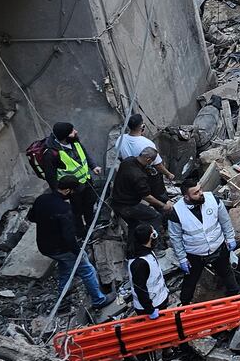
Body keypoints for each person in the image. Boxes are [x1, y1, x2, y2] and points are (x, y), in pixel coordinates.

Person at [28, 177, 109, 308]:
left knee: (65, 266)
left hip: (44, 246)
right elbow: (69, 236)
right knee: (87, 269)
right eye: (73, 191)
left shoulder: (41, 199)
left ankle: (62, 294)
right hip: (60, 247)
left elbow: (31, 217)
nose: (75, 194)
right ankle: (98, 300)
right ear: (67, 191)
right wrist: (78, 253)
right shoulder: (64, 208)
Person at [168, 182, 239, 304]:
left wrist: (230, 237)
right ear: (186, 197)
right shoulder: (177, 212)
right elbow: (175, 237)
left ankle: (236, 296)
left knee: (226, 272)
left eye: (200, 189)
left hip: (218, 247)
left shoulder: (212, 199)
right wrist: (182, 258)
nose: (201, 193)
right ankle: (184, 305)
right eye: (196, 192)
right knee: (190, 280)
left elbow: (225, 220)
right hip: (195, 254)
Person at [37, 122, 97, 231]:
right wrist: (58, 190)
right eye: (72, 131)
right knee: (76, 211)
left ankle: (91, 224)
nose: (76, 132)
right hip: (72, 187)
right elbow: (50, 175)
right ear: (64, 137)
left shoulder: (74, 141)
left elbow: (84, 154)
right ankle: (80, 232)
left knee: (90, 203)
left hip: (87, 181)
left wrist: (93, 167)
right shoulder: (51, 154)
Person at [112, 146, 170, 235]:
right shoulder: (139, 176)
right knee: (155, 216)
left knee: (134, 224)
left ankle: (131, 247)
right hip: (128, 205)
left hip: (116, 200)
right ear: (148, 159)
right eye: (152, 161)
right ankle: (153, 242)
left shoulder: (128, 161)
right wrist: (162, 205)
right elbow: (147, 197)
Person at [127, 222, 169, 317]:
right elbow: (140, 289)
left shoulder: (146, 252)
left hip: (158, 300)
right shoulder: (140, 263)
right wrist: (150, 310)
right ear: (151, 237)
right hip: (152, 307)